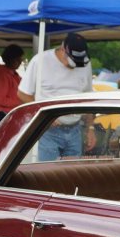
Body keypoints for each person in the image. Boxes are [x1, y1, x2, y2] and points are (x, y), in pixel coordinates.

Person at [18, 33, 93, 161]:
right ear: (63, 50)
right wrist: (46, 116)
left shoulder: (86, 64)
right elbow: (23, 94)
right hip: (47, 130)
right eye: (72, 61)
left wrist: (90, 128)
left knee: (72, 175)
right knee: (47, 173)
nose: (75, 65)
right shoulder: (40, 61)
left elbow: (87, 97)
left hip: (75, 128)